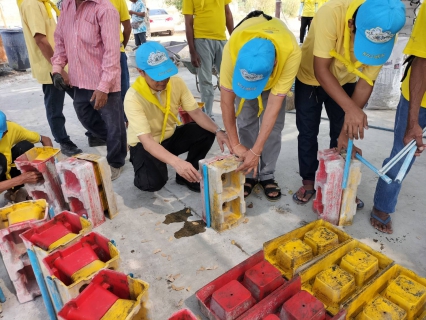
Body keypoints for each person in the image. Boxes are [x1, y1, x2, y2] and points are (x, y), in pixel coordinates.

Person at [293, 0, 405, 205]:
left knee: (342, 132)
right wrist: (352, 109)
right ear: (352, 24)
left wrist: (346, 128)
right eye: (361, 40)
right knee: (308, 131)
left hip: (345, 80)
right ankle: (309, 180)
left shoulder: (388, 29)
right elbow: (321, 70)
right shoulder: (331, 13)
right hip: (311, 78)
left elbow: (366, 81)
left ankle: (337, 183)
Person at [124, 42, 230, 192]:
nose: (162, 81)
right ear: (141, 72)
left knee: (205, 131)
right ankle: (142, 167)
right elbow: (147, 141)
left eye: (165, 74)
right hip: (145, 144)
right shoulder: (133, 97)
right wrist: (177, 162)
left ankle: (187, 175)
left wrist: (219, 131)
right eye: (156, 77)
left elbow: (196, 113)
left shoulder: (177, 83)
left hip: (169, 136)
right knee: (152, 184)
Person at [220, 11, 302, 201]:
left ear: (274, 64)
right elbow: (226, 102)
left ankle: (266, 174)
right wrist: (235, 144)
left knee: (273, 127)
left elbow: (273, 107)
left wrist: (257, 150)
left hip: (275, 79)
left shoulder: (291, 51)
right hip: (248, 64)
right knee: (245, 120)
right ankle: (249, 172)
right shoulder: (232, 48)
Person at [51, 0, 127, 181]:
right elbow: (60, 41)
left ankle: (116, 161)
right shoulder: (66, 6)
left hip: (104, 81)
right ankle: (119, 142)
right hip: (79, 79)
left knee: (113, 124)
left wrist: (104, 87)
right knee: (86, 118)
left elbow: (112, 52)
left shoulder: (105, 9)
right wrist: (57, 69)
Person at [371, 3, 426, 234]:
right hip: (421, 100)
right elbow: (422, 62)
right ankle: (381, 207)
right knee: (402, 155)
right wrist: (413, 122)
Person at [17, 0, 82, 157]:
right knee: (55, 108)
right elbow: (40, 40)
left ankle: (93, 134)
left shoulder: (44, 3)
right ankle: (63, 141)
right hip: (51, 68)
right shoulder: (31, 4)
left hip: (61, 64)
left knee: (83, 101)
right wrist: (58, 69)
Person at [183, 0, 234, 119]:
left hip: (222, 40)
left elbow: (228, 14)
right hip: (202, 41)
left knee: (229, 79)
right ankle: (207, 116)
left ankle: (233, 113)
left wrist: (235, 38)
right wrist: (192, 51)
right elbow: (188, 23)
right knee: (205, 81)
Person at [0, 111, 51, 202]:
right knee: (1, 160)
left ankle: (14, 191)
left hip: (5, 172)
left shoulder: (11, 129)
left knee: (25, 147)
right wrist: (21, 179)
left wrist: (49, 168)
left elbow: (45, 139)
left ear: (5, 132)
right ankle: (13, 184)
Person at [110, 0, 131, 124]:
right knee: (121, 90)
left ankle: (125, 121)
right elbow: (127, 27)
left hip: (117, 52)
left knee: (122, 90)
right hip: (97, 55)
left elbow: (127, 27)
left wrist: (122, 46)